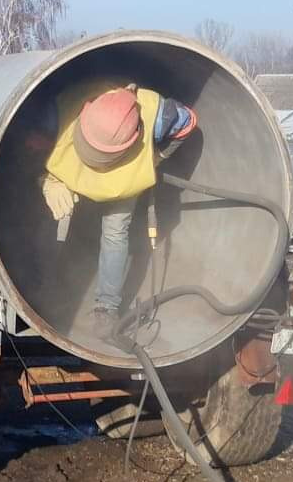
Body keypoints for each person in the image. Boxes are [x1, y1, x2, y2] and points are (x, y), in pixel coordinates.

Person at [39, 81, 197, 336]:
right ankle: (45, 286)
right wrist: (47, 179)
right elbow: (26, 143)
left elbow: (187, 122)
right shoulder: (58, 111)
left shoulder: (160, 115)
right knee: (55, 212)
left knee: (114, 231)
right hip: (70, 162)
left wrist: (157, 158)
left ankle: (106, 309)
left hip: (124, 175)